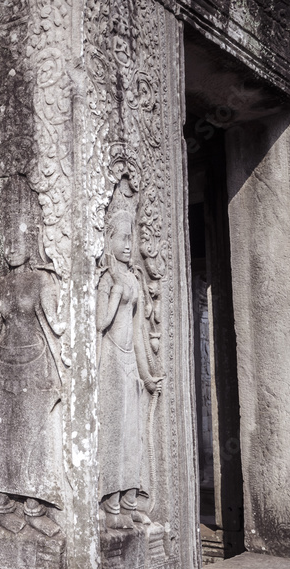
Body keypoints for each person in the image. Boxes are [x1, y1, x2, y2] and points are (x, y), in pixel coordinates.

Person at [0, 176, 66, 538]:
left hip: (35, 367)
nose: (12, 248)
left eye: (19, 242)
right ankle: (2, 505)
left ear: (31, 244)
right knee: (1, 441)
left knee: (34, 438)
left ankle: (34, 506)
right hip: (3, 367)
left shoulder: (42, 282)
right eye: (7, 242)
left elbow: (56, 326)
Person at [96, 204, 162, 530]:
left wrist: (147, 375)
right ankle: (110, 504)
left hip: (129, 364)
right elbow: (100, 322)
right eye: (121, 237)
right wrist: (115, 292)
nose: (127, 244)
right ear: (108, 239)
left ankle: (130, 501)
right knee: (114, 432)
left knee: (133, 434)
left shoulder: (134, 279)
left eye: (130, 237)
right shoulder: (107, 279)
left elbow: (137, 334)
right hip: (109, 360)